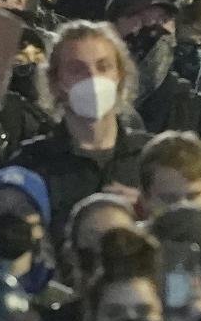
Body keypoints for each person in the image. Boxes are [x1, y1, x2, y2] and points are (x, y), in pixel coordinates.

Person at [15, 21, 148, 230]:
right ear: (55, 82)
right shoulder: (31, 165)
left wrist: (152, 210)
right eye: (77, 69)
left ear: (120, 76)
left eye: (103, 67)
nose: (93, 78)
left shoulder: (151, 158)